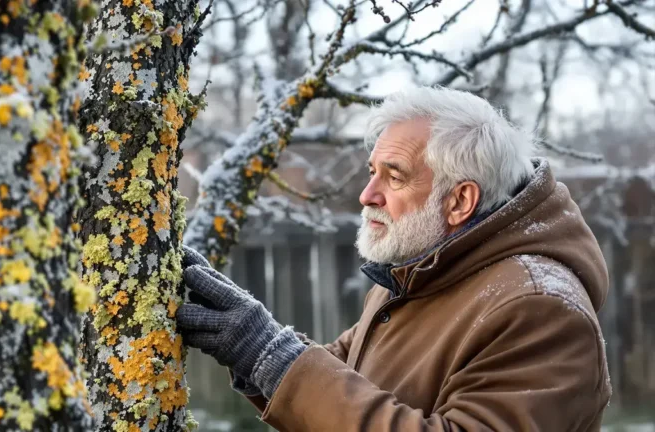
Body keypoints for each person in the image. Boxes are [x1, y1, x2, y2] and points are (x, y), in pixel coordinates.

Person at [176, 85, 612, 431]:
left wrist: (269, 356)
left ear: (460, 200)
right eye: (372, 172)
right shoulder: (425, 272)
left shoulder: (540, 309)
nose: (368, 195)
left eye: (394, 176)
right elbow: (344, 377)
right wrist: (255, 344)